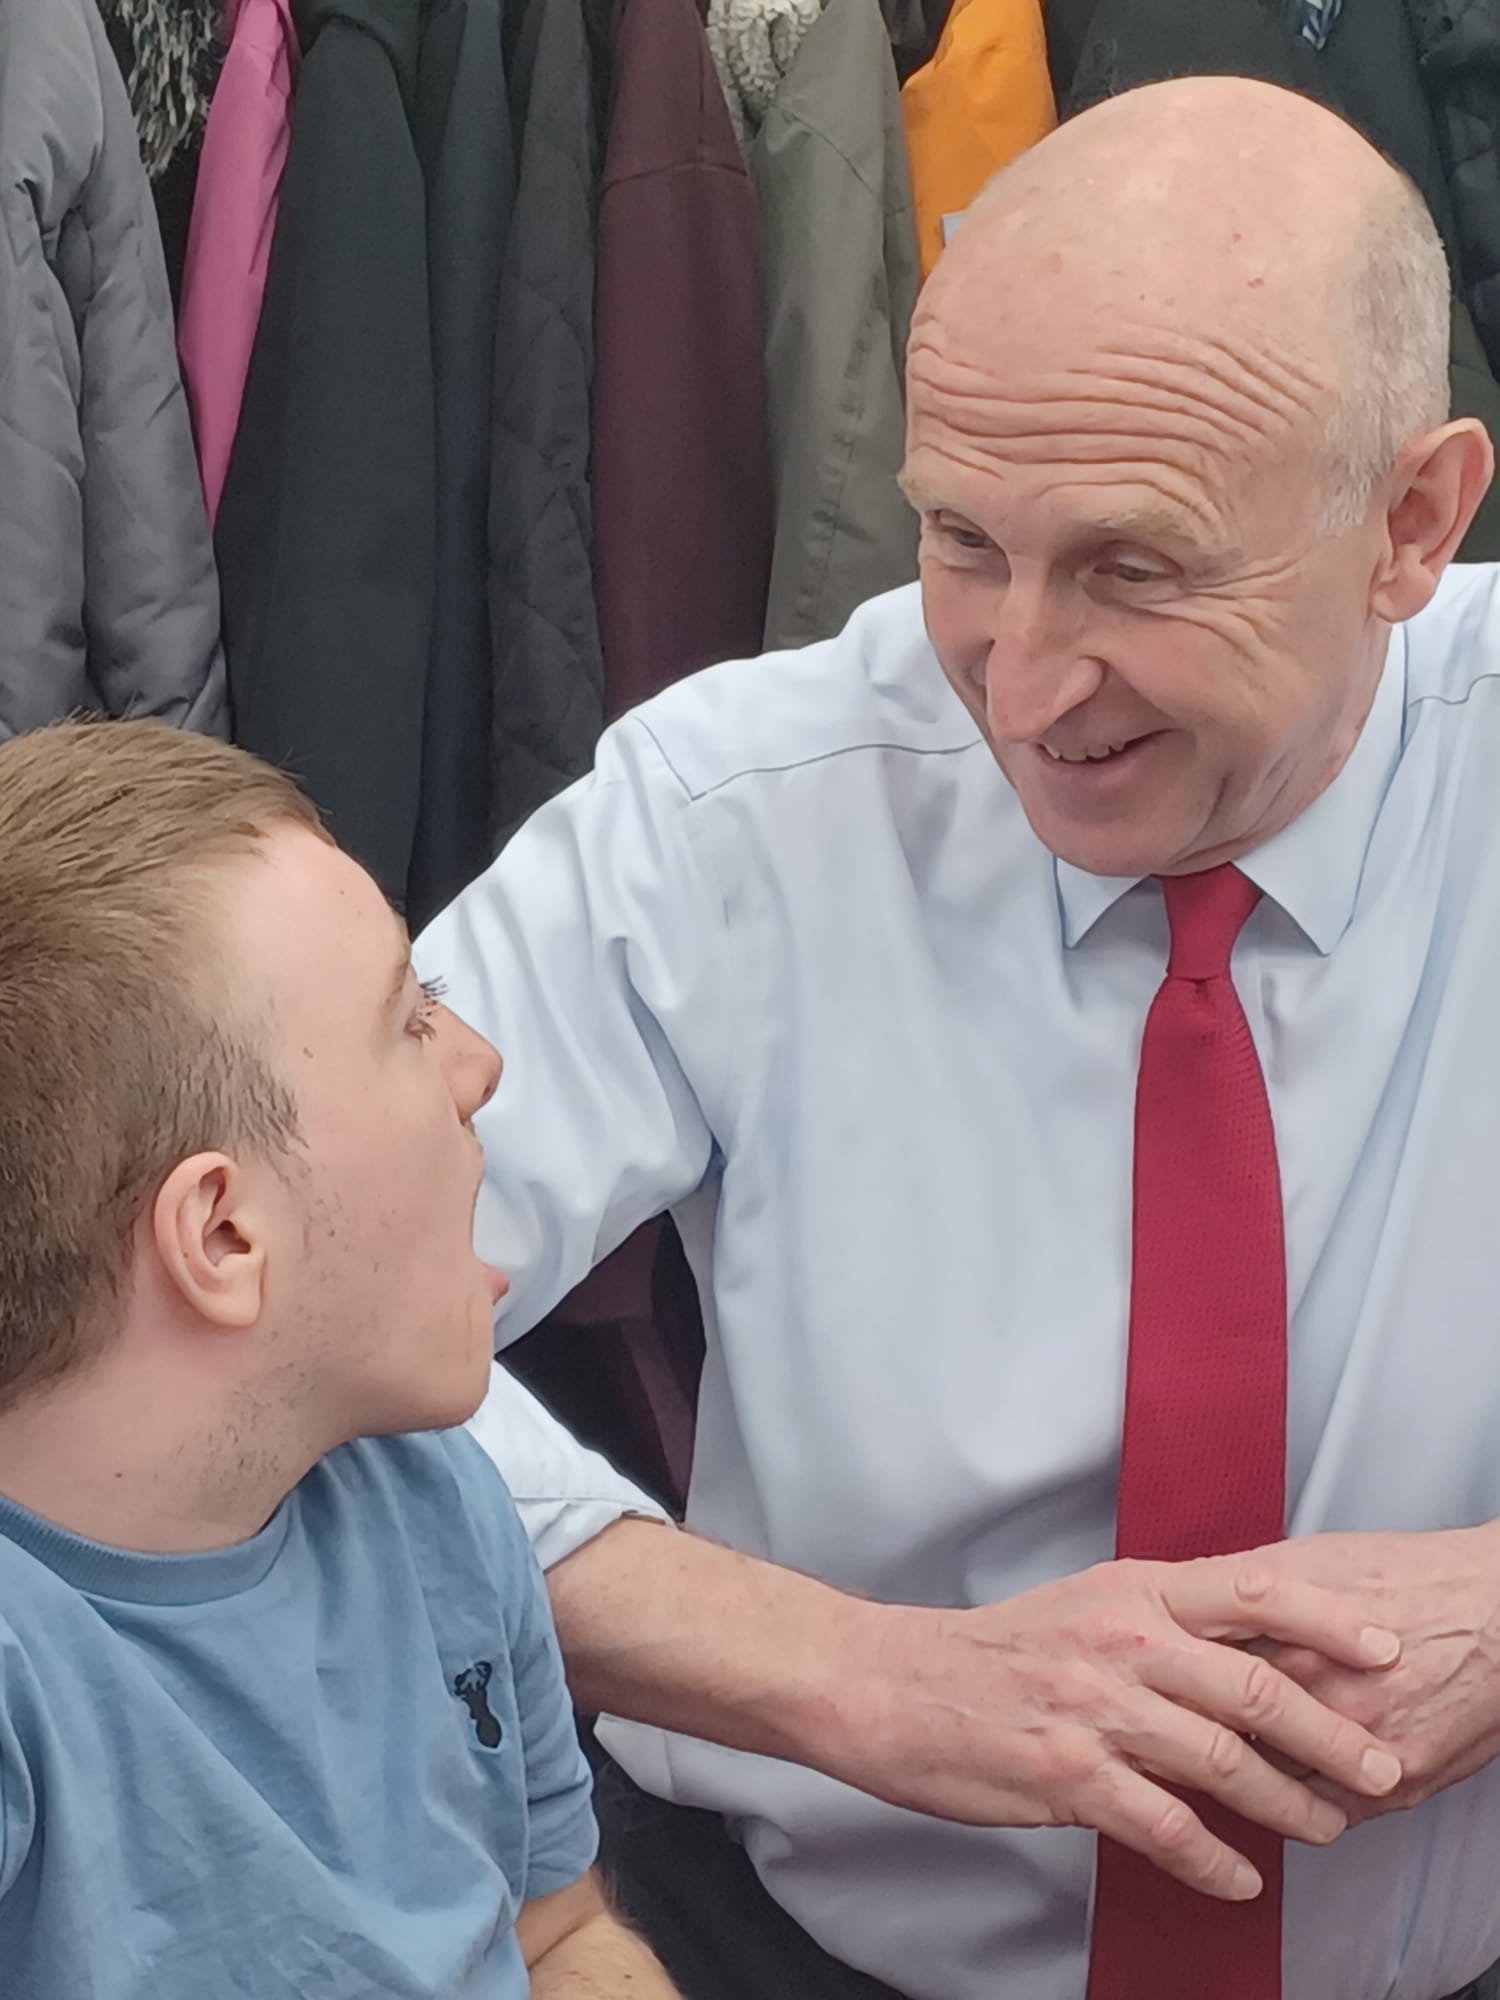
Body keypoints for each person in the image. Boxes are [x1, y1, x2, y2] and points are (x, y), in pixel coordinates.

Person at [417, 76, 1500, 2000]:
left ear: (1410, 524)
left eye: (1137, 567)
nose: (1023, 685)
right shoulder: (733, 817)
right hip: (781, 1952)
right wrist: (863, 1681)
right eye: (963, 541)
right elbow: (253, 1325)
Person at [0, 723, 679, 2000]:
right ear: (223, 1234)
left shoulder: (434, 1495)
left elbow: (555, 1932)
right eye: (409, 1018)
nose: (479, 1065)